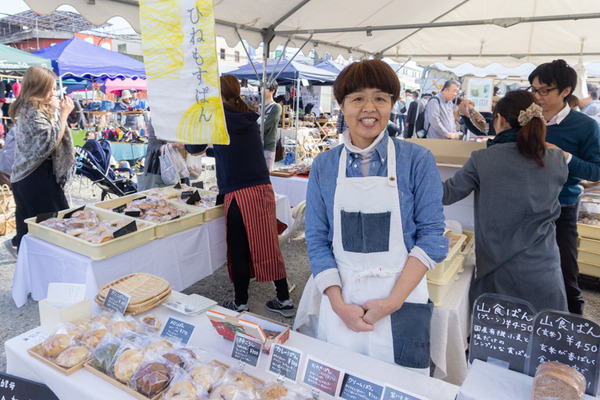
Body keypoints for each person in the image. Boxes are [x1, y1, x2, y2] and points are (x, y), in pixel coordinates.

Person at [299, 59, 448, 372]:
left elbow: (432, 237)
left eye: (380, 98)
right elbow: (316, 239)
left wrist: (392, 302)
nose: (369, 108)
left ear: (393, 104)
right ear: (341, 105)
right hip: (344, 302)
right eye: (357, 99)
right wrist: (338, 304)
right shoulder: (325, 166)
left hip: (402, 300)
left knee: (401, 385)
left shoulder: (417, 160)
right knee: (338, 380)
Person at [443, 90, 568, 312]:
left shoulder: (484, 158)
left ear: (499, 119)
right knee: (543, 332)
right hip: (545, 270)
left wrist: (411, 176)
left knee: (499, 332)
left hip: (498, 271)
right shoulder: (557, 159)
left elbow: (447, 194)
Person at [185, 75, 293, 317]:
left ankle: (241, 302)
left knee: (239, 249)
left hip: (239, 193)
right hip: (262, 189)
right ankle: (283, 299)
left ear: (217, 93)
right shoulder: (245, 115)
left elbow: (194, 148)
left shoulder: (216, 117)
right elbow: (232, 149)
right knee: (269, 245)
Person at [528, 59, 600, 315]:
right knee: (522, 271)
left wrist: (565, 156)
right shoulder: (527, 119)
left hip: (562, 208)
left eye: (544, 90)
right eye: (534, 89)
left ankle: (572, 328)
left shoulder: (585, 126)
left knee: (566, 273)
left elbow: (596, 171)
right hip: (524, 207)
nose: (537, 96)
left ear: (566, 91)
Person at [7, 66, 75, 255]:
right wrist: (63, 114)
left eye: (54, 88)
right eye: (49, 89)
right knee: (56, 230)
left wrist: (55, 112)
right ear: (37, 88)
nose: (54, 93)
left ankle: (24, 258)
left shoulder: (29, 108)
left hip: (26, 177)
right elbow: (51, 142)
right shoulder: (32, 113)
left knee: (31, 231)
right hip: (36, 178)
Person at [136, 120, 187, 191]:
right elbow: (153, 147)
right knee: (159, 195)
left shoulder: (179, 118)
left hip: (180, 166)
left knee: (181, 193)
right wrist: (174, 145)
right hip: (158, 168)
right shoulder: (155, 119)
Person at [260, 80, 282, 171]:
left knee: (267, 175)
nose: (262, 90)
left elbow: (266, 125)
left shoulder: (276, 107)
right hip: (257, 144)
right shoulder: (260, 106)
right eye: (261, 87)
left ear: (273, 91)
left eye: (265, 88)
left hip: (268, 145)